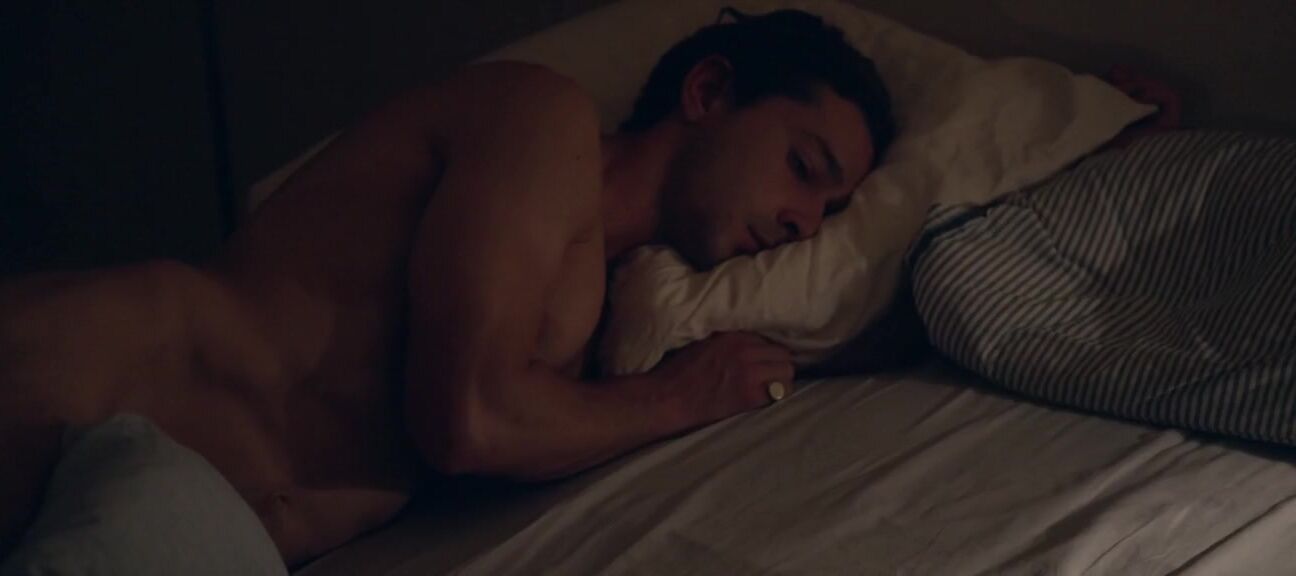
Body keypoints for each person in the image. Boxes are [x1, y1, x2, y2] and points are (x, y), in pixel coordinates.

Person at [0, 8, 895, 565]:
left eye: (829, 211)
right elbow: (465, 417)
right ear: (708, 91)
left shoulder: (591, 320)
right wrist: (681, 396)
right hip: (62, 389)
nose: (803, 223)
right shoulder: (541, 121)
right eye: (803, 168)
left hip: (141, 512)